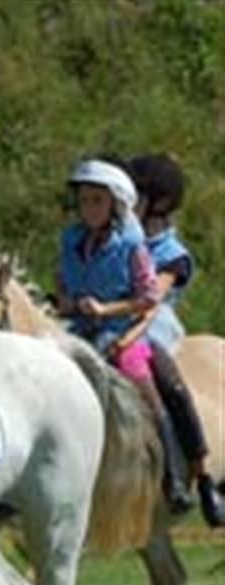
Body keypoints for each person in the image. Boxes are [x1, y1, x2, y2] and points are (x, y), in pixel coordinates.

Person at [56, 158, 191, 512]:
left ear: (116, 205)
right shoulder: (71, 240)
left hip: (120, 330)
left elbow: (147, 298)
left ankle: (174, 478)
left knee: (147, 390)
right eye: (84, 201)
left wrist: (105, 310)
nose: (88, 209)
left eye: (96, 201)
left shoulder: (134, 246)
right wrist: (69, 303)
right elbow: (62, 283)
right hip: (78, 327)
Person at [127, 153, 223, 527]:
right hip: (111, 320)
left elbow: (151, 297)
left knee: (169, 384)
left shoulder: (171, 253)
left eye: (133, 195)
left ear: (158, 203)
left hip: (153, 326)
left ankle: (194, 477)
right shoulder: (116, 239)